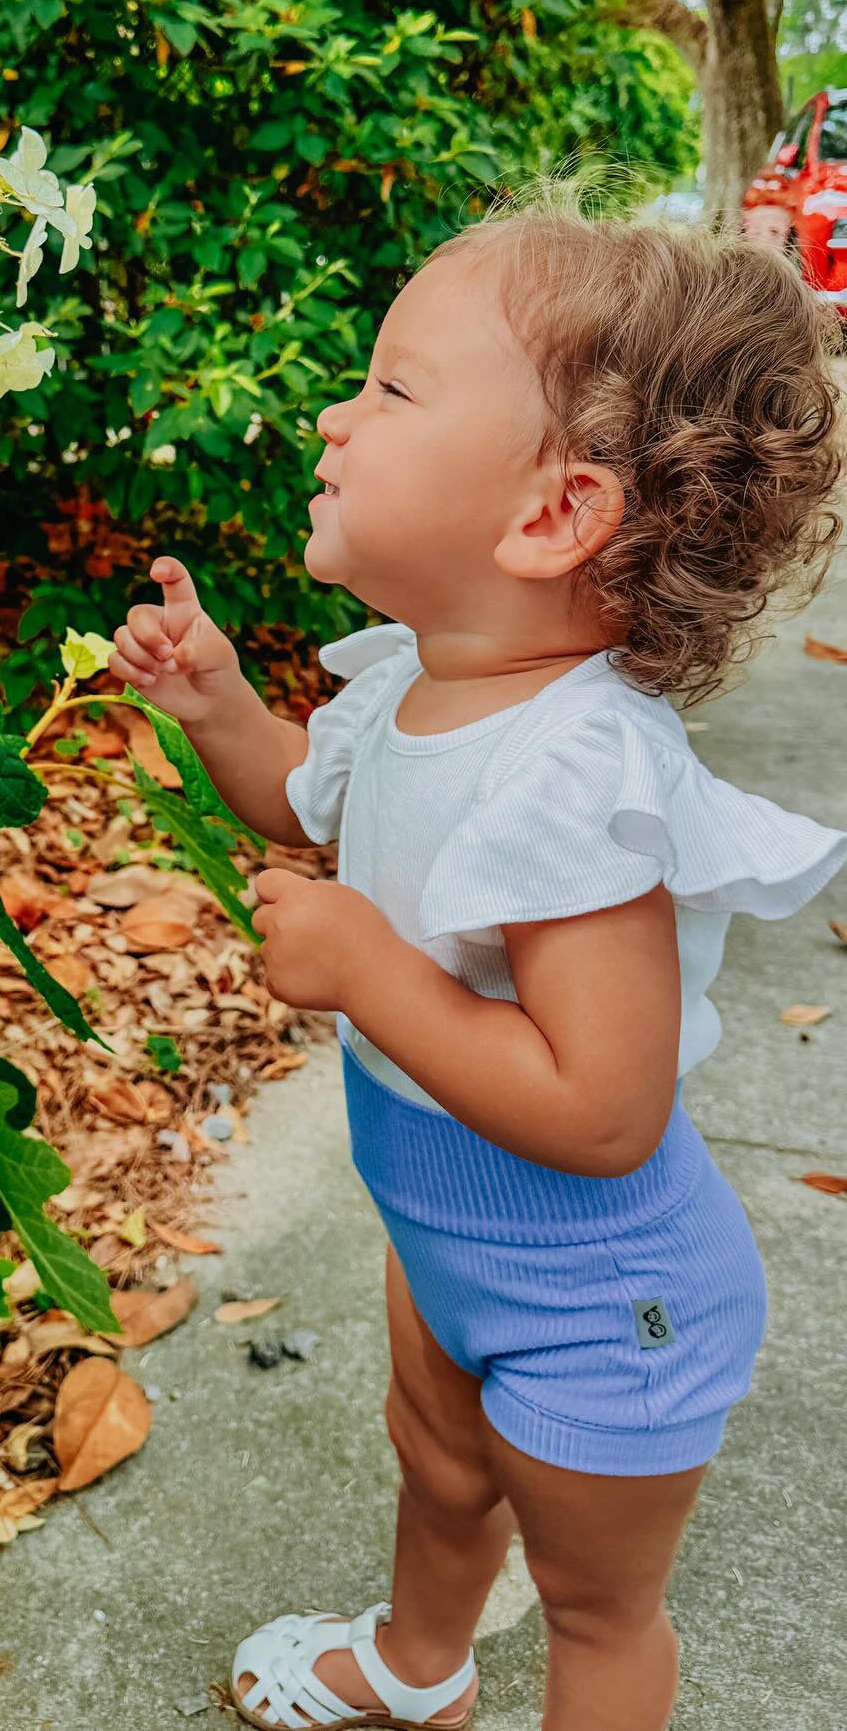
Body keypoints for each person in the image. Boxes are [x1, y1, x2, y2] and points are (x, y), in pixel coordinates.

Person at [107, 193, 847, 1731]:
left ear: (550, 516)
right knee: (440, 1469)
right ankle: (417, 1666)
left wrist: (375, 975)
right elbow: (305, 795)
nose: (334, 414)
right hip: (445, 1225)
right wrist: (225, 708)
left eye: (388, 388)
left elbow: (604, 1110)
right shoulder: (421, 690)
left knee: (594, 1607)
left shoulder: (578, 776)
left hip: (603, 1300)